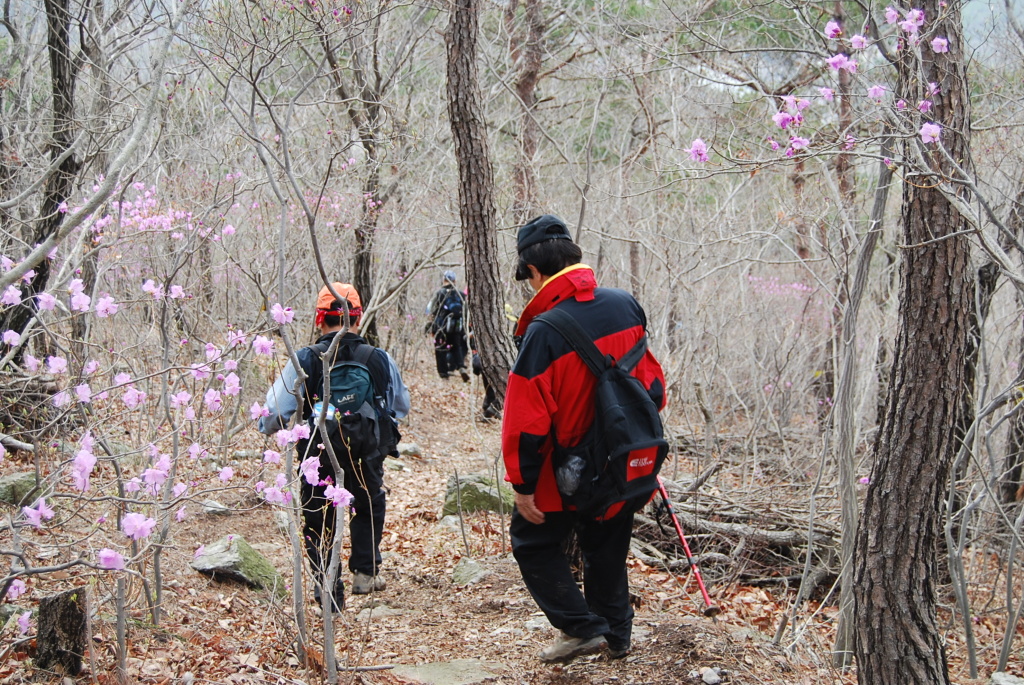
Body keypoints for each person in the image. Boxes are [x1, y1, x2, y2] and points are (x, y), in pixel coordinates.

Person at [501, 215, 667, 663]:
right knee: (607, 542)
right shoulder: (626, 305)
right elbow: (653, 388)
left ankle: (582, 627)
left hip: (568, 469)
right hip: (626, 457)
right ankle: (618, 636)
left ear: (534, 271)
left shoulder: (544, 332)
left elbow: (525, 422)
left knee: (532, 542)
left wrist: (522, 484)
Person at [259, 282, 410, 611]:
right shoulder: (377, 358)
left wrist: (267, 426)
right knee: (369, 502)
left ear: (319, 319)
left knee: (316, 516)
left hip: (317, 455)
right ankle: (366, 573)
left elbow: (276, 410)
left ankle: (327, 588)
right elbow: (400, 405)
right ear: (357, 318)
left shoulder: (306, 360)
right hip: (366, 452)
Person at [425, 270, 469, 381]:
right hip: (456, 327)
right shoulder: (461, 294)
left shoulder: (439, 293)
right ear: (454, 281)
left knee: (440, 349)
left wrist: (431, 325)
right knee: (456, 347)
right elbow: (466, 311)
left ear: (444, 280)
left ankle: (444, 374)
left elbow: (430, 310)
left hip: (441, 326)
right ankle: (460, 367)